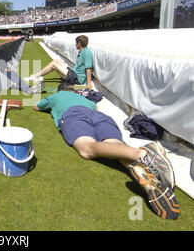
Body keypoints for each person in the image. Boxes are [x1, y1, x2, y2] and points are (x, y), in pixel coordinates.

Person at [33, 83, 179, 220]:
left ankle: (142, 153)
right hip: (100, 116)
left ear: (60, 91)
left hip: (73, 114)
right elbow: (95, 108)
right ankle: (139, 166)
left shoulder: (57, 96)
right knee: (113, 145)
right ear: (72, 91)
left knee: (86, 148)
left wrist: (50, 103)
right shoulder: (84, 99)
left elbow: (37, 106)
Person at [25, 35, 93, 89]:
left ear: (79, 43)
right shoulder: (82, 51)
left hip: (77, 79)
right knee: (57, 61)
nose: (75, 44)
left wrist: (88, 83)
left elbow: (88, 69)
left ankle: (35, 76)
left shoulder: (86, 53)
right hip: (74, 73)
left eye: (76, 43)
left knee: (54, 64)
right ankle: (37, 76)